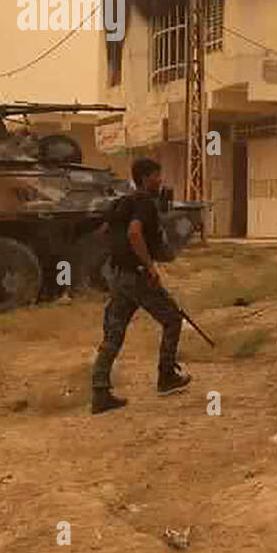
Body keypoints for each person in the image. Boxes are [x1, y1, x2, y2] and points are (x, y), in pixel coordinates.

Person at [91, 158, 191, 414]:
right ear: (146, 178)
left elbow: (103, 233)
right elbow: (134, 233)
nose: (160, 181)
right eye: (157, 176)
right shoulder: (144, 203)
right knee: (172, 319)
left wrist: (121, 258)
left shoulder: (121, 203)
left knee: (114, 333)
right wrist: (148, 266)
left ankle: (100, 392)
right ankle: (166, 377)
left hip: (119, 277)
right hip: (136, 277)